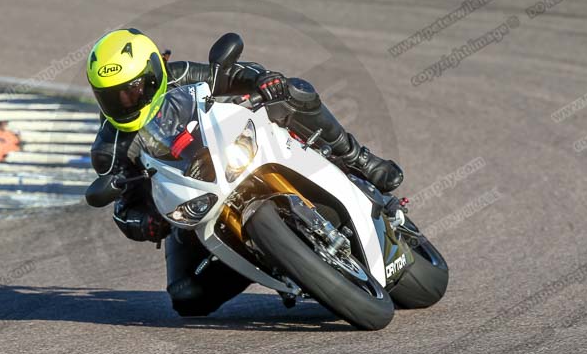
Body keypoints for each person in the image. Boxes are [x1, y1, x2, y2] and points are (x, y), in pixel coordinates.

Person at [85, 28, 403, 317]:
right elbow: (123, 207)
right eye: (112, 96)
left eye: (133, 90)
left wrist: (263, 79)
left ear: (155, 72)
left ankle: (360, 158)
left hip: (234, 148)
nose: (125, 102)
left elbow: (231, 72)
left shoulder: (180, 75)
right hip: (193, 198)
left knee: (295, 90)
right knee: (187, 298)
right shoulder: (109, 148)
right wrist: (146, 222)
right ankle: (276, 261)